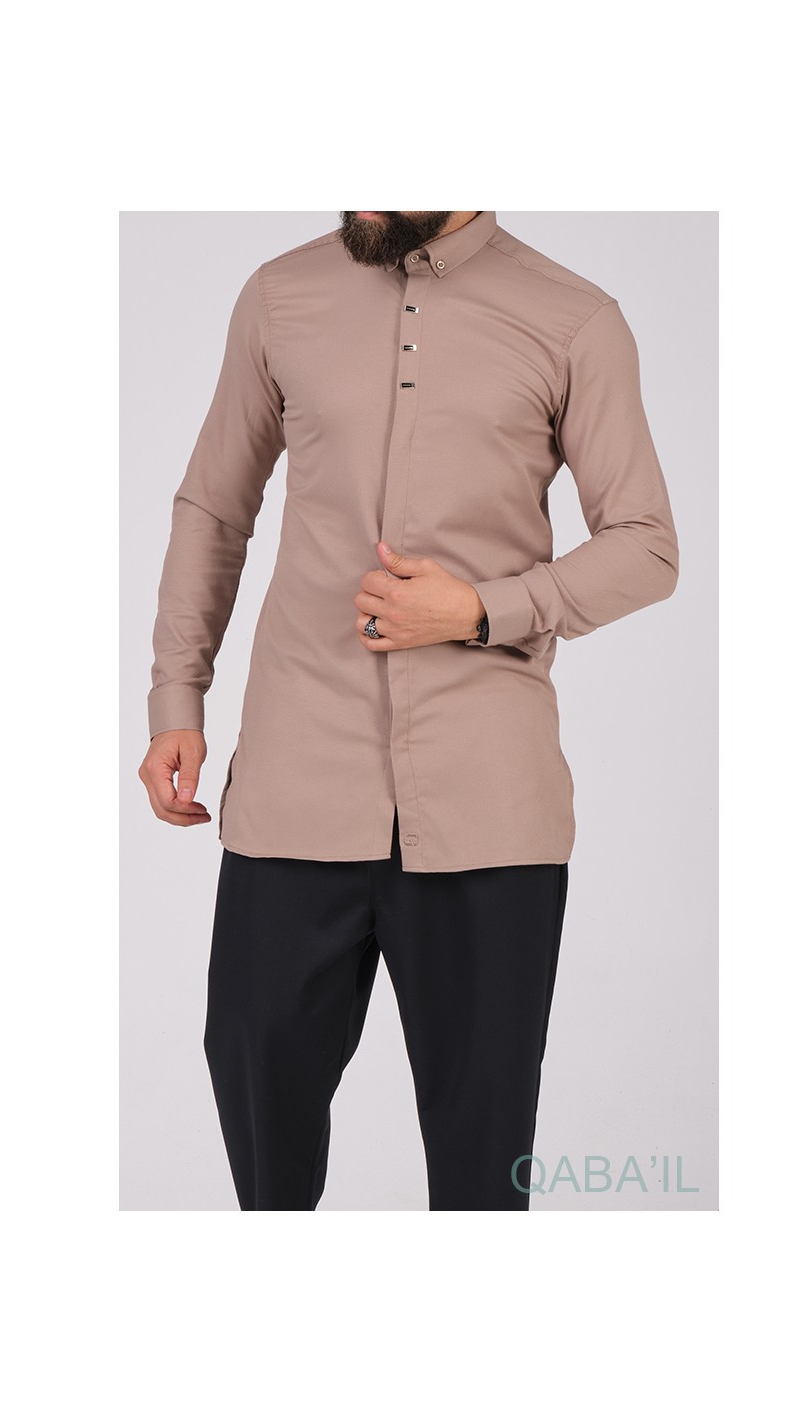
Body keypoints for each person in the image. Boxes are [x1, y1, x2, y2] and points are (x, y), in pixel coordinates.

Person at [138, 211, 680, 1210]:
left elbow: (645, 543)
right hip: (296, 786)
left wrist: (479, 610)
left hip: (488, 811)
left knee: (481, 1173)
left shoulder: (573, 319)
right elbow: (214, 506)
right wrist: (179, 696)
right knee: (256, 1108)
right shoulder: (279, 296)